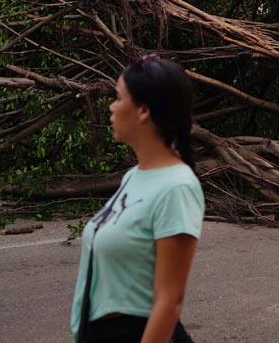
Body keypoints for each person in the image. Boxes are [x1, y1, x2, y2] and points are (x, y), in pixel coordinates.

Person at [71, 54, 205, 343]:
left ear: (143, 110)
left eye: (118, 98)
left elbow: (169, 301)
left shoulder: (177, 187)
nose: (111, 106)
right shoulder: (133, 177)